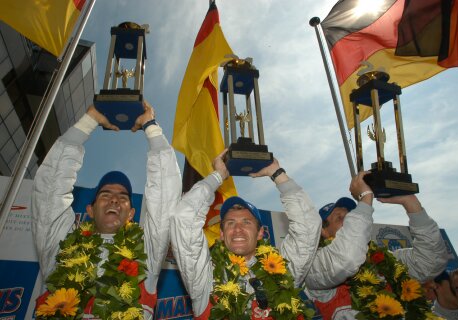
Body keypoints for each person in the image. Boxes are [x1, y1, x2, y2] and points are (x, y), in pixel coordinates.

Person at [32, 102, 181, 319]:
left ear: (131, 214)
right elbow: (48, 192)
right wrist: (89, 120)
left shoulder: (145, 257)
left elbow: (166, 195)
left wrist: (150, 126)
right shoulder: (60, 250)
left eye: (123, 198)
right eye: (105, 195)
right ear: (90, 210)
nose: (114, 200)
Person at [170, 152, 320, 319]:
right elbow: (183, 217)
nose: (238, 229)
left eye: (246, 222)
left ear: (260, 233)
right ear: (221, 234)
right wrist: (218, 175)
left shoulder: (284, 270)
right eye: (230, 223)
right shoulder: (205, 279)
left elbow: (309, 226)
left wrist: (276, 173)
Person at [304, 171, 449, 320]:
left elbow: (432, 262)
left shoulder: (386, 261)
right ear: (324, 232)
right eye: (340, 218)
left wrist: (410, 202)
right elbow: (346, 259)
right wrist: (365, 197)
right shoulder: (312, 266)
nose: (349, 219)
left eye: (351, 214)